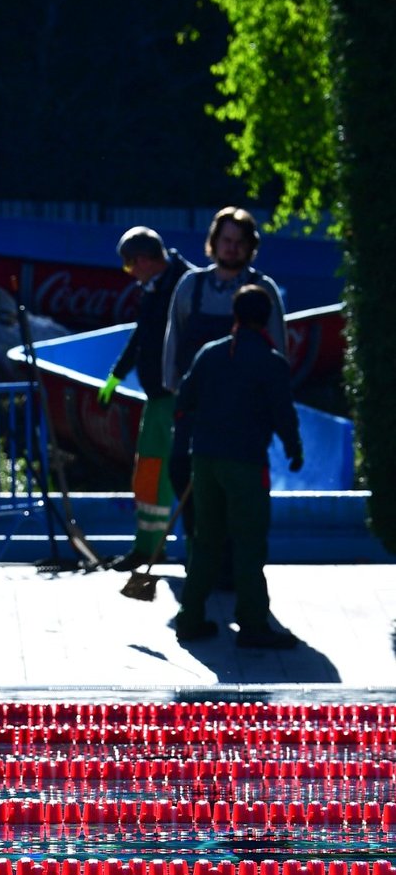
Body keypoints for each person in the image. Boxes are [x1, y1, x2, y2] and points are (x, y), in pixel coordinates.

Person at [168, 284, 303, 649]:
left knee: (206, 541)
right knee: (248, 544)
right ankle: (253, 624)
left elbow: (184, 400)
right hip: (244, 464)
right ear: (267, 317)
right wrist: (294, 448)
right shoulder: (271, 361)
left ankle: (190, 618)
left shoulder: (209, 354)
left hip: (205, 461)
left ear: (236, 314)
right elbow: (283, 414)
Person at [99, 227, 190, 570]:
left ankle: (196, 552)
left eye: (129, 266)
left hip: (181, 396)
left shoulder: (187, 285)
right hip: (157, 396)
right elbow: (143, 335)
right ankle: (148, 547)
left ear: (142, 261)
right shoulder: (153, 288)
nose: (130, 275)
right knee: (150, 472)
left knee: (183, 473)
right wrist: (116, 374)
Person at [162, 205, 287, 394]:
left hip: (245, 401)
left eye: (240, 242)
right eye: (227, 240)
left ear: (250, 247)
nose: (232, 248)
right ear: (214, 241)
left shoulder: (263, 288)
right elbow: (174, 336)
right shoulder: (190, 284)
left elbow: (277, 346)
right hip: (196, 401)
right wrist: (171, 385)